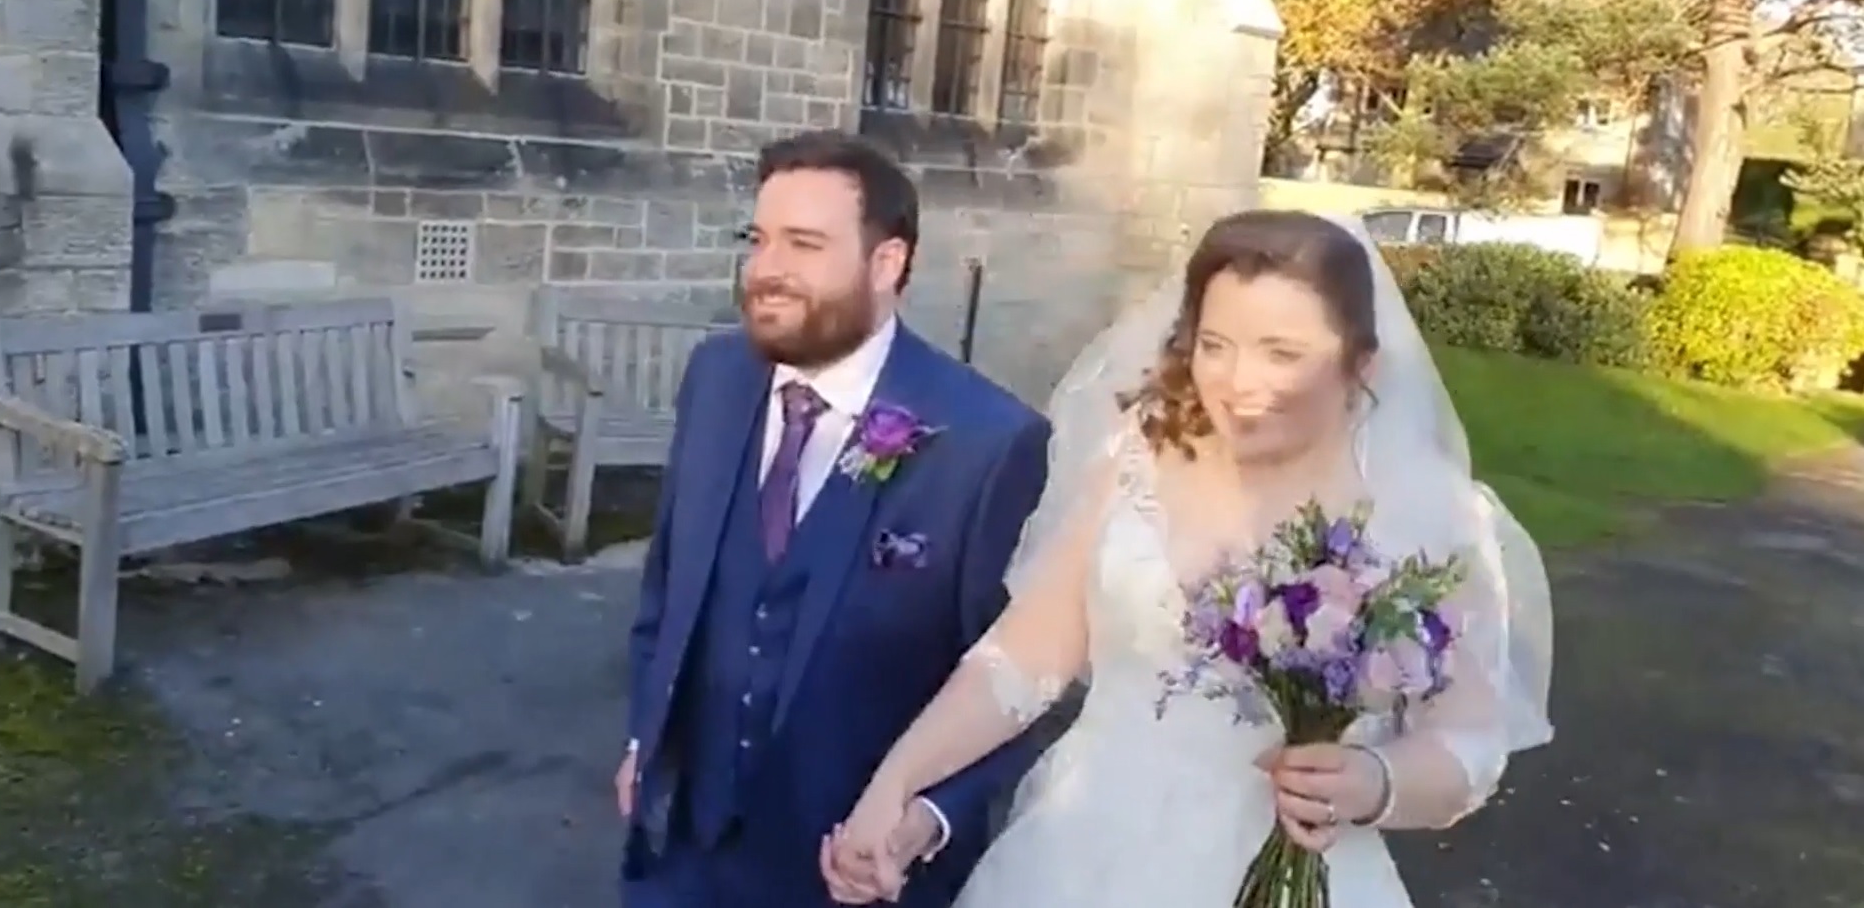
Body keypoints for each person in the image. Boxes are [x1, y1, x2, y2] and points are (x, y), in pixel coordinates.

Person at [824, 209, 1555, 907]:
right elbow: (1020, 659)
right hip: (1077, 858)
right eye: (1215, 344)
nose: (1238, 381)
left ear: (1358, 361)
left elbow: (1468, 743)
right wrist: (897, 784)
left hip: (1286, 865)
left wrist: (1375, 777)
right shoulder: (1140, 461)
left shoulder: (1431, 520)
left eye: (1283, 353)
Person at [617, 130, 1052, 908]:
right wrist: (643, 734)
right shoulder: (715, 377)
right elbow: (668, 587)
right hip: (682, 853)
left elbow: (1017, 678)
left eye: (804, 244)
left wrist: (925, 816)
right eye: (758, 239)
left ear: (887, 263)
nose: (766, 270)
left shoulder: (988, 441)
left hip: (851, 875)